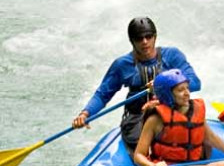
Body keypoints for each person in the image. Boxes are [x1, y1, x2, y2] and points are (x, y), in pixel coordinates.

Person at [73, 17, 201, 152]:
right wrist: (85, 114)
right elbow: (102, 95)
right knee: (145, 147)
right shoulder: (122, 65)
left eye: (148, 36)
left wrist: (165, 83)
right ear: (132, 41)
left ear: (155, 37)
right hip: (138, 119)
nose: (145, 42)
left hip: (173, 111)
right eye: (139, 38)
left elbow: (196, 83)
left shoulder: (172, 55)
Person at [132, 69, 224, 166]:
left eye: (187, 88)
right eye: (180, 90)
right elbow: (138, 155)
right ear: (167, 94)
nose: (187, 93)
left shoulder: (196, 110)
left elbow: (210, 138)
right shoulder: (155, 120)